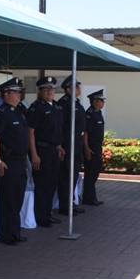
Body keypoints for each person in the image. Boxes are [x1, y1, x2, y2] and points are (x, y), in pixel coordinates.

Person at [0, 77, 28, 245]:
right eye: (15, 92)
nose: (19, 95)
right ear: (6, 94)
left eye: (19, 92)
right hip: (8, 161)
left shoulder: (18, 111)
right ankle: (6, 234)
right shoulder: (2, 113)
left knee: (17, 199)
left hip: (20, 161)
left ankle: (15, 231)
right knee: (7, 199)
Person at [27, 76, 64, 228]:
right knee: (42, 184)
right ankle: (41, 216)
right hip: (42, 150)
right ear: (40, 91)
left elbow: (57, 130)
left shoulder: (55, 107)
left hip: (54, 150)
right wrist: (34, 154)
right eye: (46, 89)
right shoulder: (36, 108)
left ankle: (48, 213)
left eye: (52, 89)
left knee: (51, 183)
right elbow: (30, 132)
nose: (49, 92)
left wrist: (60, 147)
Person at [56, 75, 86, 216]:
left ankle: (71, 203)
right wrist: (61, 145)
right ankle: (65, 206)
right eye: (76, 86)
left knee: (73, 176)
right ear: (68, 90)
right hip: (68, 142)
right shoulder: (64, 103)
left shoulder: (76, 103)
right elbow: (60, 126)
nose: (79, 89)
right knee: (66, 176)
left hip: (76, 141)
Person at [82, 89, 106, 206]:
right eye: (101, 100)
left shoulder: (98, 113)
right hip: (91, 147)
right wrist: (86, 148)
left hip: (97, 147)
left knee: (95, 172)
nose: (103, 102)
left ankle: (92, 197)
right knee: (90, 173)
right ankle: (88, 198)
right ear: (94, 101)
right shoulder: (90, 114)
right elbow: (85, 133)